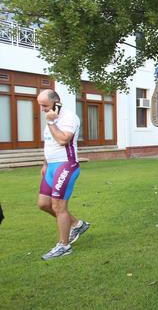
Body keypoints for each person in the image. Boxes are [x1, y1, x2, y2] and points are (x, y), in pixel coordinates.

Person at [36, 89, 90, 260]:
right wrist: (45, 164)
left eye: (45, 105)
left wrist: (51, 123)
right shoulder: (51, 118)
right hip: (51, 166)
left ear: (56, 102)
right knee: (43, 204)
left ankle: (64, 246)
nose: (42, 109)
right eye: (40, 105)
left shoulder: (69, 118)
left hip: (66, 165)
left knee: (59, 207)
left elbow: (62, 140)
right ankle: (76, 224)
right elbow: (50, 144)